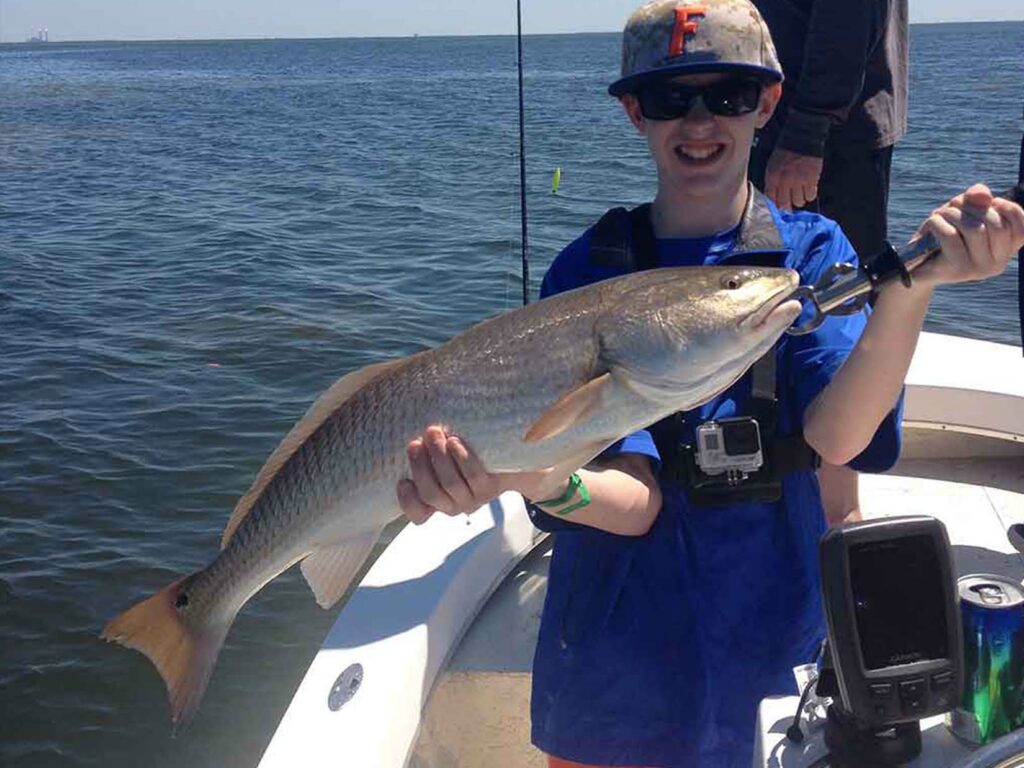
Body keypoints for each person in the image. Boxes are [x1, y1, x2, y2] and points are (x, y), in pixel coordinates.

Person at [396, 1, 1024, 765]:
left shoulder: (813, 249)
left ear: (767, 104)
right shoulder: (586, 271)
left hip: (764, 633)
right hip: (610, 654)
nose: (699, 122)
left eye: (727, 94)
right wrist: (534, 480)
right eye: (670, 99)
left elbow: (836, 437)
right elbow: (631, 500)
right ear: (635, 113)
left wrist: (912, 291)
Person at [747, 0, 909, 529]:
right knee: (782, 308)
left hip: (820, 136)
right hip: (794, 123)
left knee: (827, 308)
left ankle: (838, 512)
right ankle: (798, 491)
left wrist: (806, 133)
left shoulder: (811, 131)